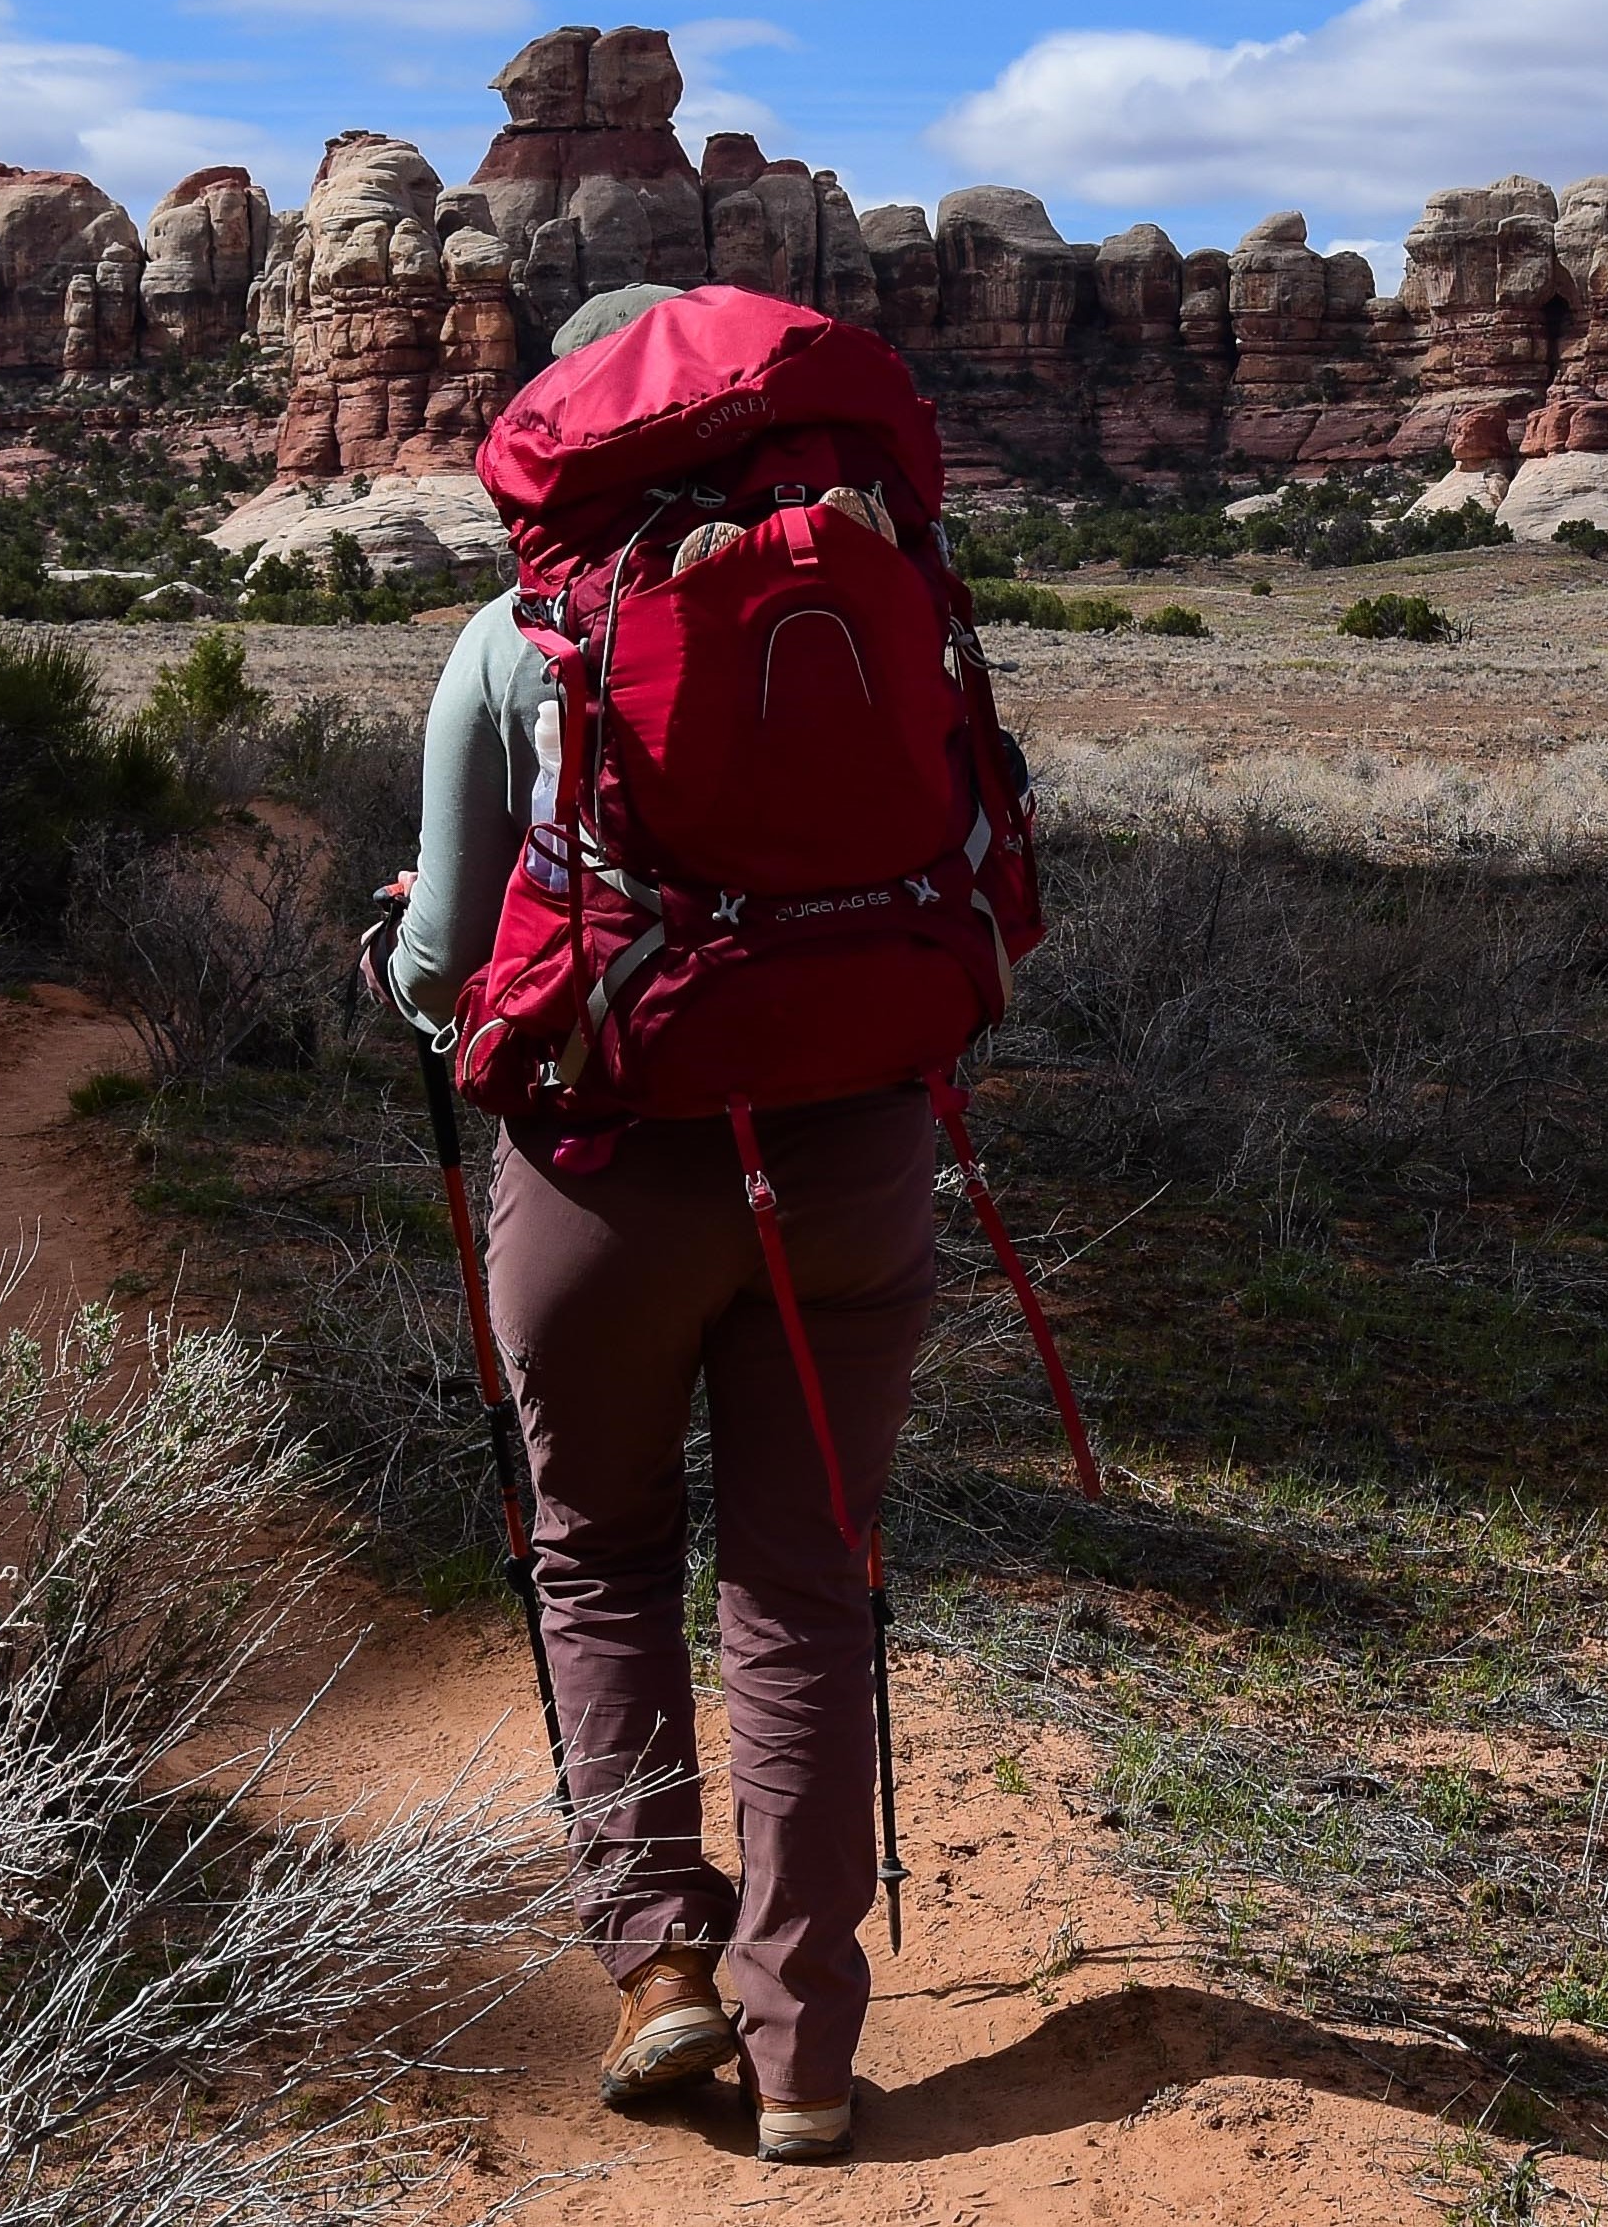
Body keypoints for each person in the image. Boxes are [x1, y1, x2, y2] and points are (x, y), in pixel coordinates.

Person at [377, 280, 938, 2165]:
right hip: (855, 1162)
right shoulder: (887, 578)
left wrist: (409, 960)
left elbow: (453, 965)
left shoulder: (513, 633)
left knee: (600, 1551)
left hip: (602, 1174)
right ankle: (808, 2058)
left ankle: (657, 1968)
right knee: (803, 1581)